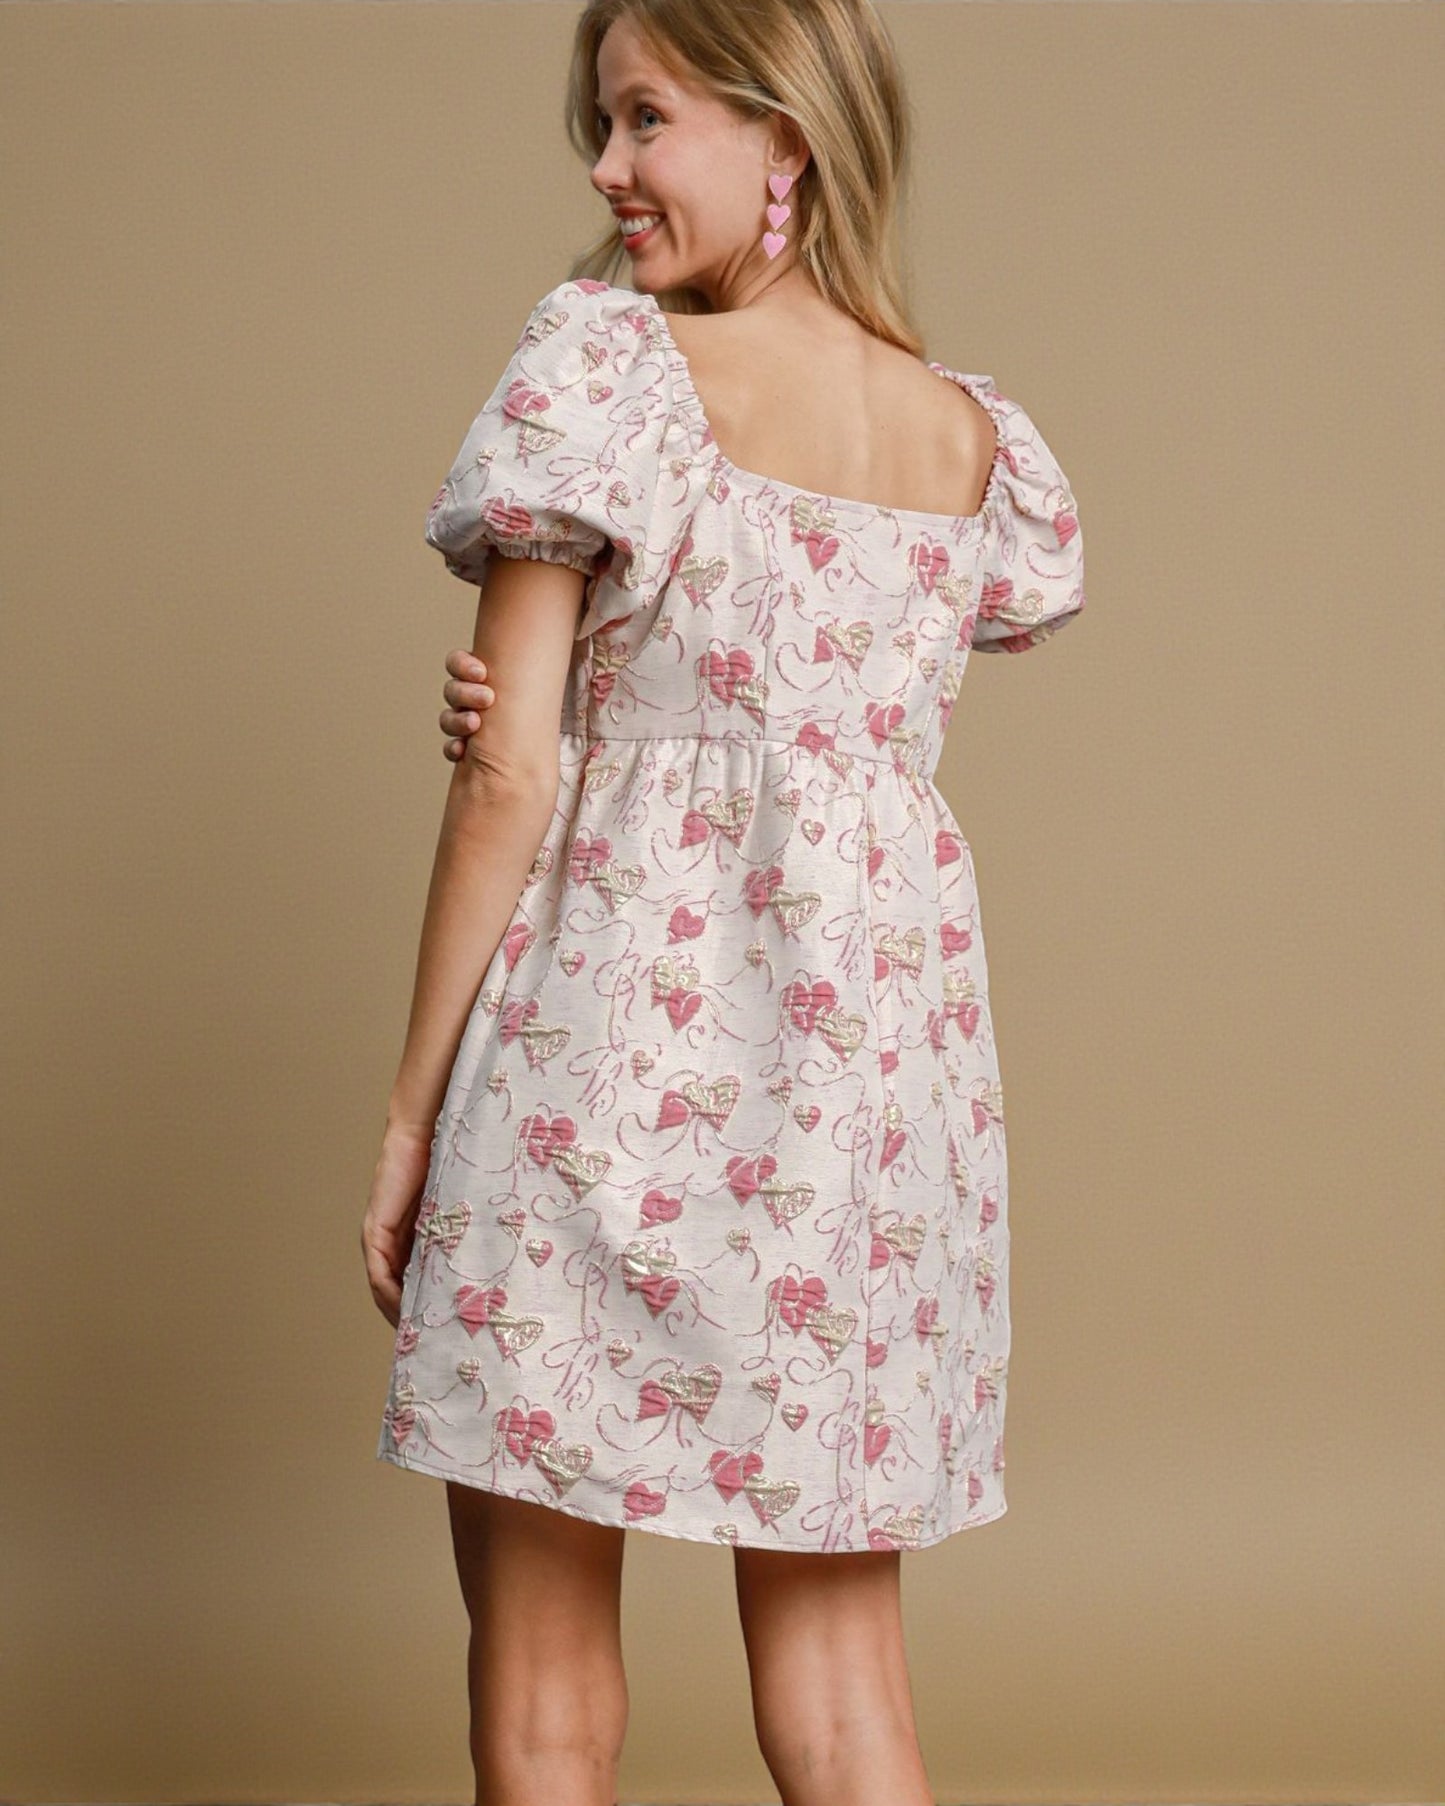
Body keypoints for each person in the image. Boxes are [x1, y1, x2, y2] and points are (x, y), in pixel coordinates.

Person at [360, 2, 1086, 1802]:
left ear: (788, 138)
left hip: (600, 1057)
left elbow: (510, 772)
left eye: (640, 118)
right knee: (848, 1696)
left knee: (541, 1681)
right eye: (596, 129)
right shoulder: (967, 440)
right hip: (862, 1113)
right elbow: (776, 698)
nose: (602, 173)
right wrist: (604, 696)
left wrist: (406, 1113)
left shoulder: (601, 367)